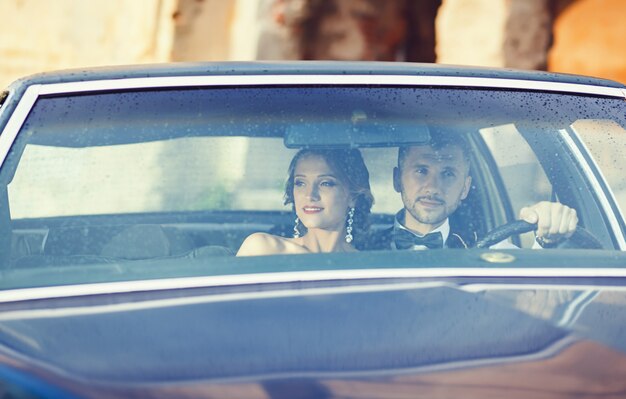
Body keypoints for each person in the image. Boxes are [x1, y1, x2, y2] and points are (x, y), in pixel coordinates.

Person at [367, 132, 579, 250]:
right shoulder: (360, 247)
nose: (432, 187)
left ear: (465, 188)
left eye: (448, 173)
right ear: (397, 179)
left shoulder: (488, 248)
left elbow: (531, 294)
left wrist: (547, 234)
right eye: (422, 170)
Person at [237, 148, 374, 256]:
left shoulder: (367, 266)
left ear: (353, 197)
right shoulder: (263, 249)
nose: (310, 195)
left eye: (325, 183)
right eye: (300, 183)